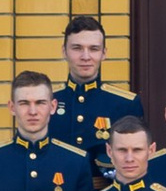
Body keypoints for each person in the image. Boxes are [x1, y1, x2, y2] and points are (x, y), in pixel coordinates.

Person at [50, 14, 135, 172]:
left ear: (104, 53)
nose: (85, 57)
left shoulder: (125, 104)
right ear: (64, 52)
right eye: (77, 48)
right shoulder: (46, 101)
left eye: (94, 49)